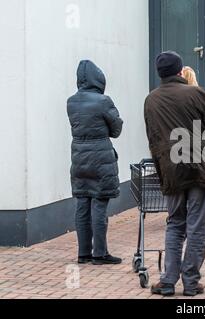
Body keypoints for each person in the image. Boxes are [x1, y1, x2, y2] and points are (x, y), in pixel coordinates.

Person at [145, 51, 205, 297]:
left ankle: (168, 281)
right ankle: (191, 282)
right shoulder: (196, 94)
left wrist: (164, 167)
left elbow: (153, 139)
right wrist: (203, 152)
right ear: (181, 71)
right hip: (199, 168)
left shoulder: (151, 100)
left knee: (175, 225)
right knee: (196, 226)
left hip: (172, 170)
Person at [67, 60, 123, 266]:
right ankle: (100, 253)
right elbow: (116, 130)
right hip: (100, 158)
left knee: (82, 203)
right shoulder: (103, 101)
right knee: (99, 204)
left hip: (79, 157)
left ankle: (83, 254)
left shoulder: (71, 102)